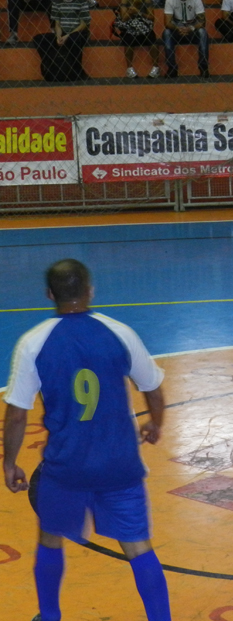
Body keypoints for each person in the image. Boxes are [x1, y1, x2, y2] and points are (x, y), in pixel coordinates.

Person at [2, 259, 171, 621]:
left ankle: (50, 616)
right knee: (139, 548)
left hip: (67, 467)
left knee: (50, 538)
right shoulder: (120, 333)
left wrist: (10, 462)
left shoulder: (33, 343)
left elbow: (16, 414)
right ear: (90, 291)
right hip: (119, 464)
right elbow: (153, 389)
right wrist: (155, 424)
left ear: (50, 294)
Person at [33, 0, 90, 82]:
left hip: (78, 32)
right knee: (38, 39)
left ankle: (78, 70)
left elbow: (84, 24)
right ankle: (50, 66)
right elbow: (57, 23)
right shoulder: (57, 0)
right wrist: (58, 35)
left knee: (74, 39)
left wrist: (68, 35)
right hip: (63, 32)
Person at [162, 0, 209, 78]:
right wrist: (178, 28)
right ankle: (172, 68)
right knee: (166, 33)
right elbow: (167, 23)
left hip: (192, 30)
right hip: (177, 30)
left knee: (202, 32)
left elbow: (202, 22)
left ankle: (203, 67)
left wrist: (190, 28)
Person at [117, 0, 161, 79]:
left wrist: (138, 12)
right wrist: (133, 7)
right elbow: (123, 19)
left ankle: (156, 68)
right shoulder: (125, 0)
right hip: (131, 27)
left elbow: (152, 18)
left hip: (144, 27)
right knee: (128, 40)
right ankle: (129, 69)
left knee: (152, 39)